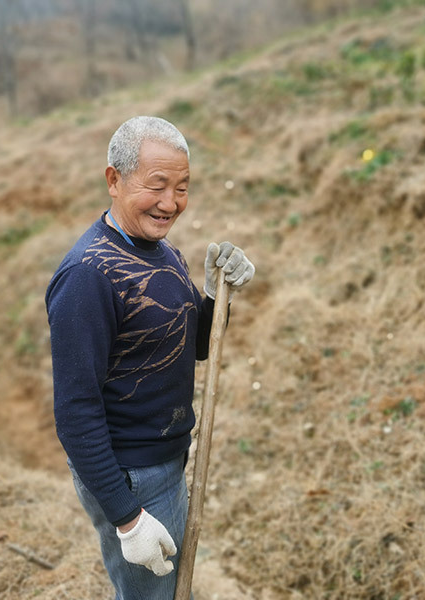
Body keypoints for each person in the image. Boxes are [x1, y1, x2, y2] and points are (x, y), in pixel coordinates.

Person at [45, 115, 255, 599]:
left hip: (165, 460)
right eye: (157, 185)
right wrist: (127, 517)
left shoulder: (159, 250)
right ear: (113, 180)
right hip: (130, 475)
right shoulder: (87, 276)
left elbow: (195, 345)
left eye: (182, 187)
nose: (171, 203)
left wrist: (216, 296)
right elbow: (75, 412)